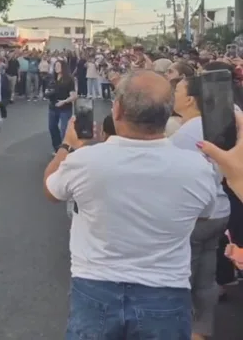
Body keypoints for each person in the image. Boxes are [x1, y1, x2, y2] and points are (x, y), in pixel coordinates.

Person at [44, 70, 217, 339]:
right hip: (166, 292)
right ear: (169, 112)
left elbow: (51, 189)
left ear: (118, 110)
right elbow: (204, 214)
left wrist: (68, 144)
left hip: (95, 288)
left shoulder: (86, 160)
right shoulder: (198, 168)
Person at [169, 75, 230, 340]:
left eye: (178, 90)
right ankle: (202, 332)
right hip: (221, 209)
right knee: (207, 279)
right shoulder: (223, 120)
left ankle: (182, 330)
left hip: (197, 215)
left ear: (190, 99)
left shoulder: (187, 133)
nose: (173, 94)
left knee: (185, 281)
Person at [45, 60, 77, 153]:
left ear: (63, 67)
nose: (56, 68)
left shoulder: (69, 79)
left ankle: (67, 150)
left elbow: (74, 96)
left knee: (64, 130)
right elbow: (48, 90)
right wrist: (47, 93)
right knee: (52, 127)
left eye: (58, 66)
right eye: (55, 66)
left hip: (65, 108)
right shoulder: (52, 78)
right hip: (53, 107)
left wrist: (64, 101)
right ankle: (57, 148)